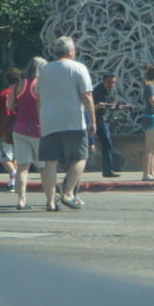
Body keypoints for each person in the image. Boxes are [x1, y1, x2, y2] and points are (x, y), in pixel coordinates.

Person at [35, 37, 95, 212]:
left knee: (50, 161)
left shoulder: (45, 69)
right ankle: (67, 192)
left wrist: (41, 117)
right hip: (73, 121)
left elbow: (38, 97)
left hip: (48, 121)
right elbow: (87, 96)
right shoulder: (78, 68)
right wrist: (93, 120)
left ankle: (49, 202)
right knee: (80, 157)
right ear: (70, 51)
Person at [8, 57, 45, 209]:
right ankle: (50, 196)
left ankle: (21, 199)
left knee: (22, 166)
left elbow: (10, 106)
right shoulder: (40, 86)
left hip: (20, 129)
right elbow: (42, 107)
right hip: (37, 129)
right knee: (43, 167)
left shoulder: (18, 85)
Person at [0, 68, 21, 192]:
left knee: (5, 158)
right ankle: (12, 183)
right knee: (15, 158)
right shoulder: (22, 93)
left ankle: (16, 177)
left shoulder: (2, 94)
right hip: (20, 128)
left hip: (5, 129)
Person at [91, 73, 121, 178]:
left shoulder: (113, 90)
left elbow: (112, 104)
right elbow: (86, 108)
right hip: (91, 120)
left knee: (107, 143)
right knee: (86, 145)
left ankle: (107, 170)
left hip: (103, 120)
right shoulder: (95, 90)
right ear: (103, 81)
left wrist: (114, 107)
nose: (111, 85)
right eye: (109, 82)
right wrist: (96, 106)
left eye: (113, 83)